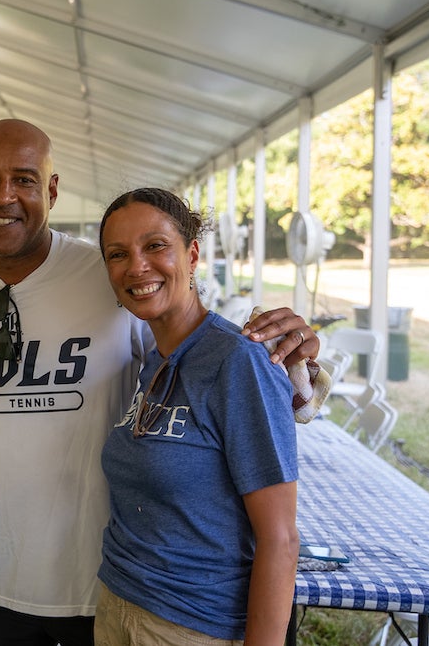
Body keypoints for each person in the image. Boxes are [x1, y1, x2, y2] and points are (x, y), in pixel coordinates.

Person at [0, 120, 315, 646]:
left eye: (25, 179)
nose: (5, 196)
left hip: (97, 585)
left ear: (53, 189)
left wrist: (300, 364)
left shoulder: (102, 273)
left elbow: (206, 353)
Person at [95, 187, 299, 645]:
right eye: (117, 254)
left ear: (192, 255)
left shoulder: (237, 361)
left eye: (155, 246)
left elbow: (281, 540)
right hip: (118, 604)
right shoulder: (153, 359)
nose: (137, 267)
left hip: (192, 624)